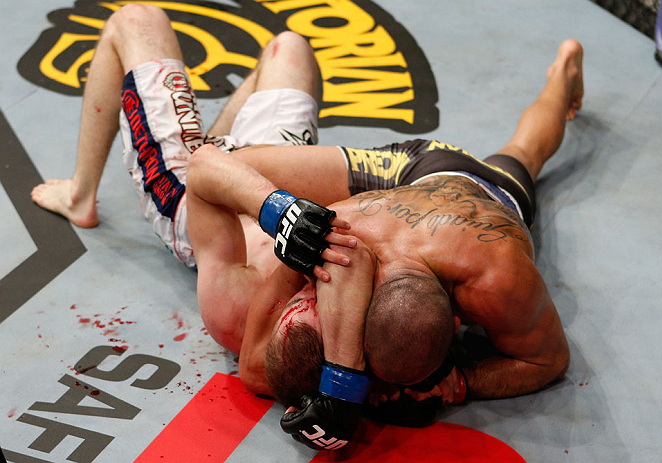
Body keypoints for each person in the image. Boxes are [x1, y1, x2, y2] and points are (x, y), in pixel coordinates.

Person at [199, 38, 584, 448]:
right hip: (405, 176)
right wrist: (279, 210)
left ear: (457, 319)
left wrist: (464, 382)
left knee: (526, 152)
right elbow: (257, 366)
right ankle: (561, 73)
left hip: (493, 201)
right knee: (236, 165)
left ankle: (564, 71)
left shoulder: (496, 278)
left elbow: (548, 361)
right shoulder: (343, 231)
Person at [28, 3, 370, 403]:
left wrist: (280, 212)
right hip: (276, 173)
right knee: (289, 46)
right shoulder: (360, 305)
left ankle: (80, 196)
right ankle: (209, 142)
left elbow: (204, 173)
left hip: (198, 200)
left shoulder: (237, 311)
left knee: (135, 20)